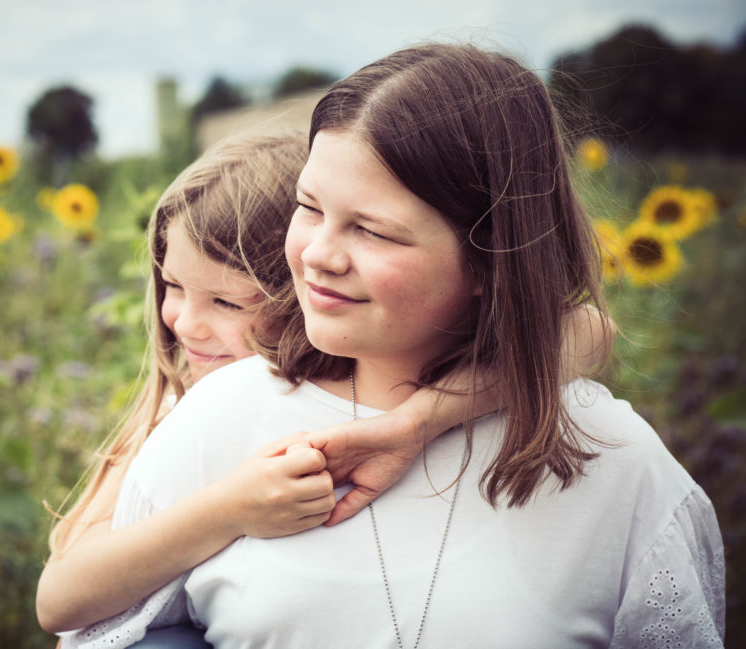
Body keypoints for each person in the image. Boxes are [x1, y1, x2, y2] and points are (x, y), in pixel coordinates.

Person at [75, 43, 725, 648]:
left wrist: (416, 421)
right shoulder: (216, 420)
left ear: (491, 259)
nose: (319, 254)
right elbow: (77, 614)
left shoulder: (619, 468)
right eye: (308, 206)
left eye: (374, 231)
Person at [39, 131, 613, 647]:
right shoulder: (181, 411)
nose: (184, 323)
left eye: (226, 302)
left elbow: (588, 329)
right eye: (173, 288)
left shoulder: (371, 376)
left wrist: (417, 422)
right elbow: (61, 600)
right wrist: (230, 509)